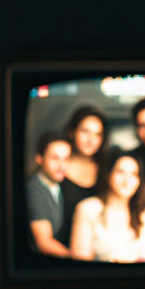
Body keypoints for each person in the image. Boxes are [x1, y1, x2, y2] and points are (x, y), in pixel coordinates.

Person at [69, 147, 145, 263]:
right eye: (121, 172)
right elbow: (79, 259)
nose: (127, 181)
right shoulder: (88, 209)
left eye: (134, 175)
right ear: (108, 175)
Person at [60, 105, 107, 245]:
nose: (91, 139)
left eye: (97, 134)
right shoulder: (58, 168)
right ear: (72, 132)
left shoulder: (106, 172)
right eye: (85, 131)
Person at [26, 131, 72, 258]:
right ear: (39, 159)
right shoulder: (33, 189)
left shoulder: (58, 183)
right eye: (55, 158)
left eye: (66, 159)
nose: (62, 165)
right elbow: (44, 243)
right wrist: (77, 259)